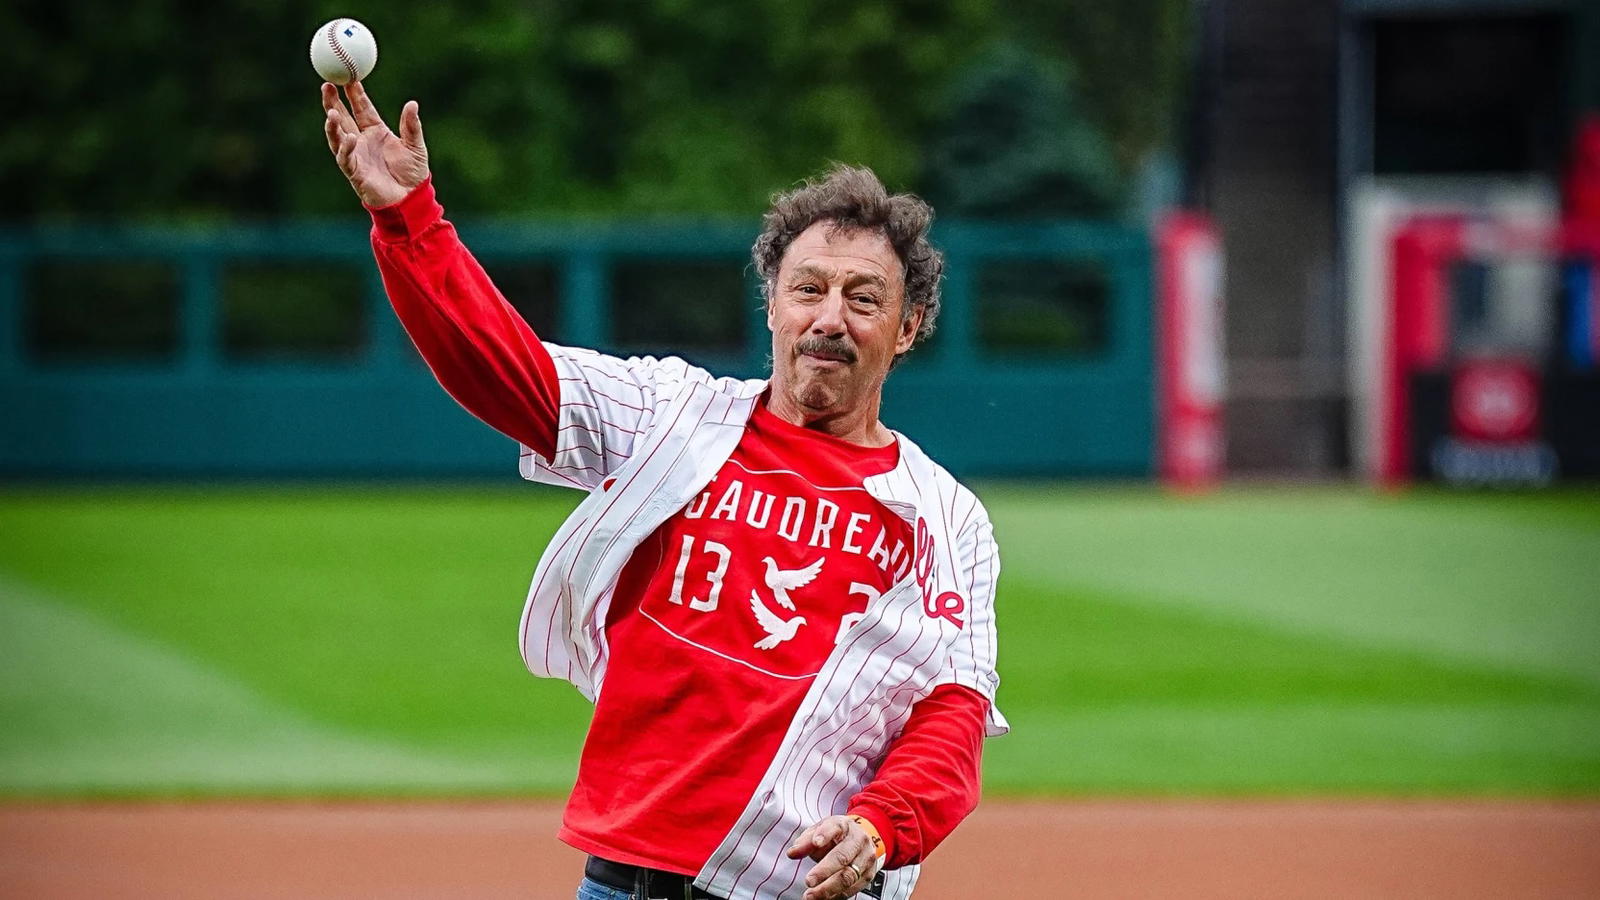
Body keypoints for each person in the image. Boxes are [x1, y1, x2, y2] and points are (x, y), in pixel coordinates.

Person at [320, 80, 1006, 900]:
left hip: (794, 887)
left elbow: (952, 709)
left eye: (864, 299)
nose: (831, 317)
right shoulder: (674, 415)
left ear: (909, 327)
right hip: (624, 877)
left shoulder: (945, 518)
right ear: (773, 307)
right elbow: (510, 373)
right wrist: (409, 221)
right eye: (808, 289)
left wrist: (882, 823)